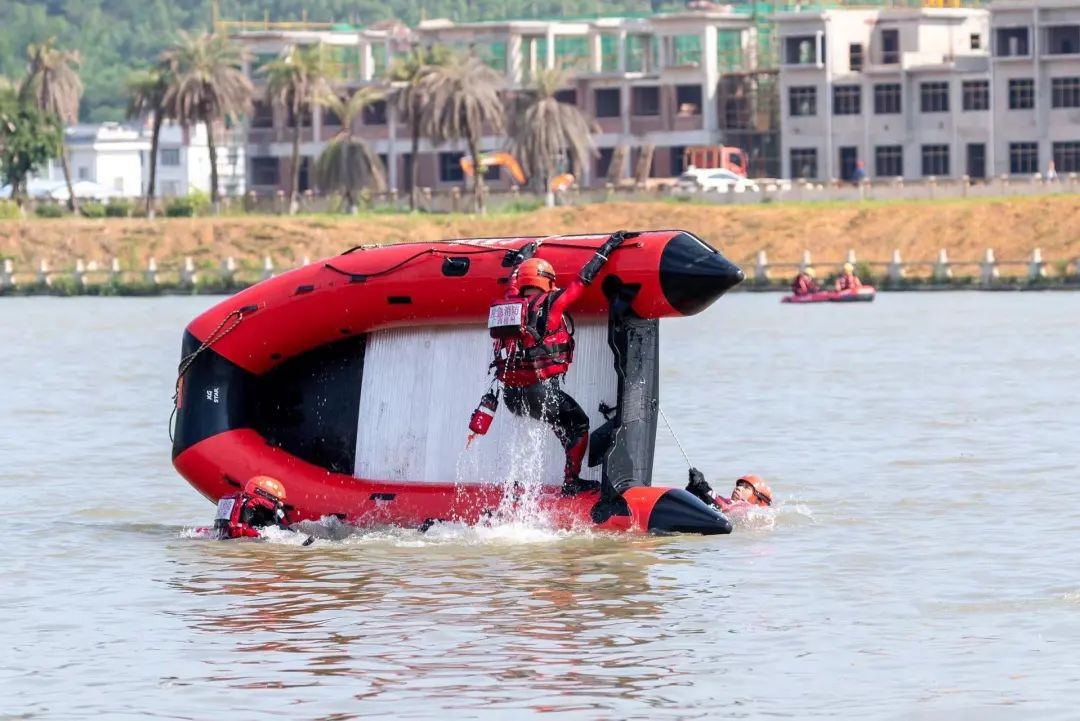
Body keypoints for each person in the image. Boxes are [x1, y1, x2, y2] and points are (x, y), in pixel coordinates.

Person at [489, 231, 630, 495]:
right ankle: (571, 481)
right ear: (547, 281)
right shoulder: (553, 303)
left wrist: (522, 258)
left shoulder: (510, 302)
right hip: (540, 393)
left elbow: (512, 281)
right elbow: (582, 281)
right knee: (579, 424)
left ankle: (543, 482)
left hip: (512, 396)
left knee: (561, 422)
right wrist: (606, 249)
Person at [211, 475, 294, 540]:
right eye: (276, 500)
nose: (280, 503)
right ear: (264, 494)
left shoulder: (242, 503)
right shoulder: (261, 513)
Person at [686, 468, 773, 512]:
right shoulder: (728, 502)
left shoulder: (750, 509)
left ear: (758, 500)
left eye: (746, 487)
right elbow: (716, 500)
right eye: (740, 485)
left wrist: (703, 486)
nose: (738, 488)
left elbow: (723, 509)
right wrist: (694, 486)